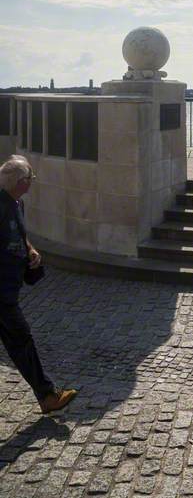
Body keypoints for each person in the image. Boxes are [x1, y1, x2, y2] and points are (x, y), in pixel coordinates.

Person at [0, 156, 77, 414]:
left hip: (9, 290)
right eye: (30, 179)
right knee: (21, 341)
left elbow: (20, 236)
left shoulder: (17, 203)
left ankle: (47, 396)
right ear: (21, 182)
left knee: (20, 343)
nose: (32, 182)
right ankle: (47, 396)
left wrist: (30, 251)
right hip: (2, 295)